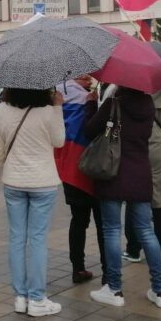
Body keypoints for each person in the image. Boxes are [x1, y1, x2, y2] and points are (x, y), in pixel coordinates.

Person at [86, 85, 161, 309]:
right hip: (141, 173)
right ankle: (160, 291)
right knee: (146, 230)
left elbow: (90, 130)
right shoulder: (148, 105)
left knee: (112, 229)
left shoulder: (114, 104)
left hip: (113, 172)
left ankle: (114, 289)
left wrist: (91, 104)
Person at [0, 87, 66, 317]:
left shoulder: (2, 110)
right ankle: (37, 298)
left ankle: (20, 297)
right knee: (37, 240)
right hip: (43, 182)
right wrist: (58, 107)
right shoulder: (48, 111)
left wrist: (9, 159)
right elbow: (60, 141)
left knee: (16, 238)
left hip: (13, 181)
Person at [56, 77, 103, 285]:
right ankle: (109, 273)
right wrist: (93, 102)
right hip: (96, 169)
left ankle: (78, 268)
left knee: (78, 221)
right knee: (104, 224)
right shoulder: (94, 101)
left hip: (70, 169)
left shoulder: (55, 103)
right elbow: (102, 131)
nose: (88, 78)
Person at [123, 89, 161, 265]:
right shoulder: (160, 92)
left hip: (132, 149)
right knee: (160, 203)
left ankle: (133, 250)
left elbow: (110, 126)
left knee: (134, 201)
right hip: (157, 149)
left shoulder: (119, 94)